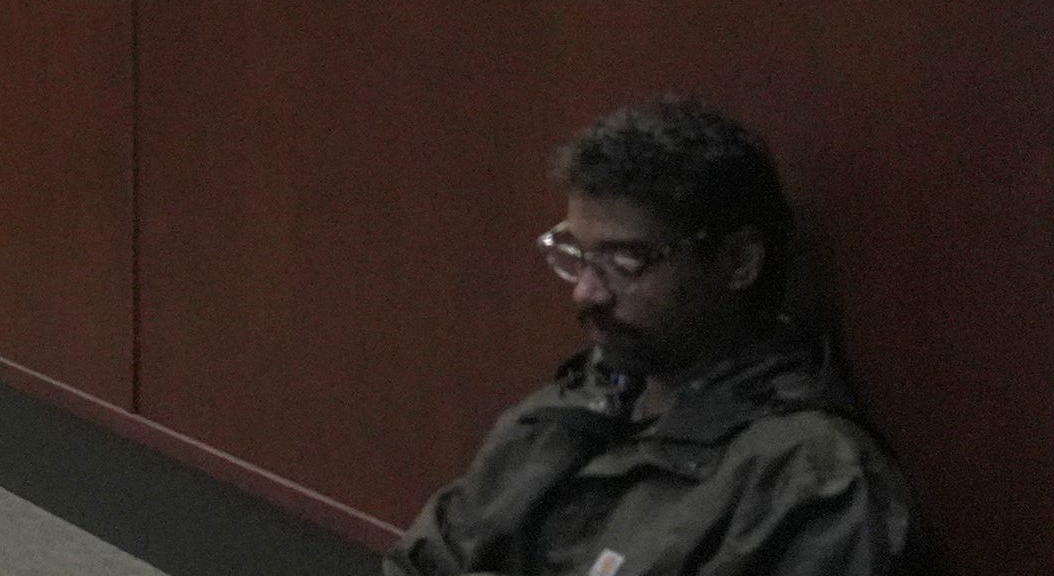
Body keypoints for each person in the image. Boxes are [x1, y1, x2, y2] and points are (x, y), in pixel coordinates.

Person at [387, 97, 914, 575]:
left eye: (625, 261)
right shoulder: (585, 398)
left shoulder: (805, 479)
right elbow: (424, 560)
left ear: (737, 261)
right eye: (578, 256)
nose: (587, 292)